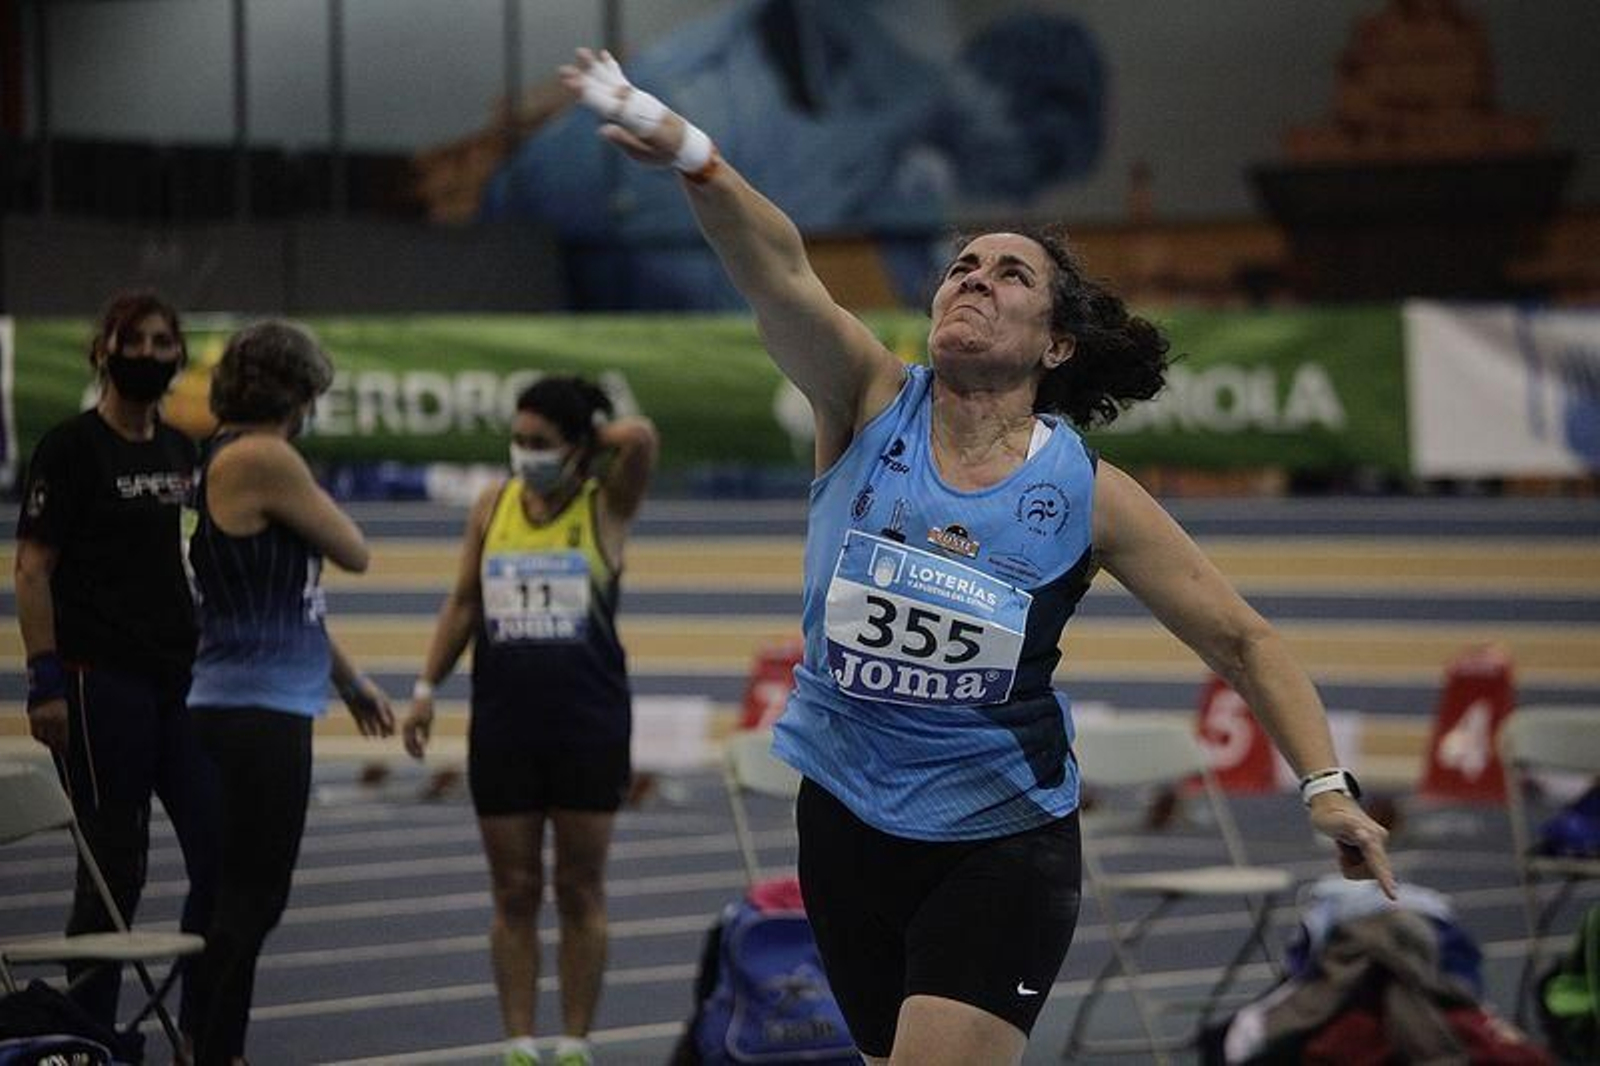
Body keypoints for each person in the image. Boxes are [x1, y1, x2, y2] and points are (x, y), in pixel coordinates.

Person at [562, 48, 1398, 1066]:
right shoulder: (865, 399)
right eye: (963, 265)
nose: (974, 279)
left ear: (1055, 345)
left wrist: (1324, 785)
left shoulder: (1086, 493)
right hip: (844, 823)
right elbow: (777, 268)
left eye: (1010, 275)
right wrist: (694, 155)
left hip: (998, 837)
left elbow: (1242, 639)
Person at [402, 376, 658, 1066]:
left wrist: (590, 437)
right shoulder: (493, 505)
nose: (523, 453)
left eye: (539, 442)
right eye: (517, 439)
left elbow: (641, 439)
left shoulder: (606, 506)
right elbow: (463, 603)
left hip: (588, 726)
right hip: (503, 724)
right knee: (513, 891)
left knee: (579, 888)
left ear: (576, 447)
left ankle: (574, 1044)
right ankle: (519, 1044)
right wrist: (425, 688)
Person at [184, 320, 395, 1066]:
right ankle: (209, 1049)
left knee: (232, 894)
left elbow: (288, 601)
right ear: (296, 394)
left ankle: (216, 1046)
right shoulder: (265, 458)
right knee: (252, 897)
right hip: (257, 709)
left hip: (244, 699)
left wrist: (351, 681)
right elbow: (354, 551)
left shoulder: (223, 453)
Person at [13, 290, 219, 1048]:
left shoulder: (183, 452)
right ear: (104, 350)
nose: (152, 355)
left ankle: (201, 1031)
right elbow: (32, 569)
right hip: (99, 682)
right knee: (114, 871)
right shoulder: (72, 448)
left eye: (166, 342)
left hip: (180, 680)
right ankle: (88, 1040)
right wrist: (45, 682)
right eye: (137, 341)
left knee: (221, 853)